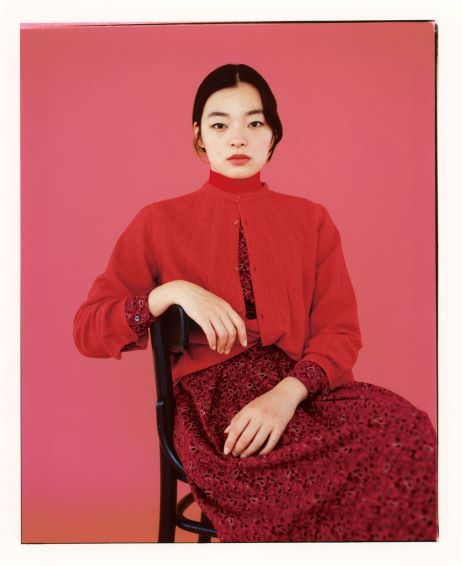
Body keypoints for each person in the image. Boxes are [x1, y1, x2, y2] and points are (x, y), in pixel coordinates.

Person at [73, 63, 438, 543]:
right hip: (214, 412)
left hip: (302, 390)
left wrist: (286, 395)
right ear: (199, 136)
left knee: (405, 429)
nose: (237, 138)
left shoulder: (312, 220)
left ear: (273, 135)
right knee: (291, 468)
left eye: (255, 122)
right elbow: (88, 329)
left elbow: (341, 332)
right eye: (220, 124)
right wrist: (171, 292)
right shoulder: (157, 222)